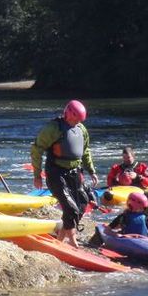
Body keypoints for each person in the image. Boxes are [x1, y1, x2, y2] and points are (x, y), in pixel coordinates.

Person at [30, 100, 98, 248]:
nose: (77, 122)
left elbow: (85, 151)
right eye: (75, 119)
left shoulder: (81, 129)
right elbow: (37, 149)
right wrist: (37, 174)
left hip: (74, 172)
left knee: (82, 204)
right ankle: (72, 240)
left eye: (79, 120)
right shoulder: (53, 129)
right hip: (56, 172)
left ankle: (60, 239)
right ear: (67, 114)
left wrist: (91, 170)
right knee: (70, 208)